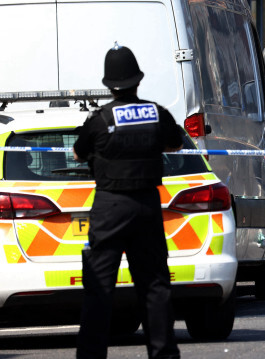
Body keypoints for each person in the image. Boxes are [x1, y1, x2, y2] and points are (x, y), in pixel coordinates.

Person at [74, 43, 182, 359]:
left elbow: (79, 152)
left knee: (99, 288)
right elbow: (175, 144)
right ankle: (163, 354)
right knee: (154, 286)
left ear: (109, 85)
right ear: (138, 80)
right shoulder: (156, 113)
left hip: (110, 208)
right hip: (147, 205)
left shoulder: (99, 120)